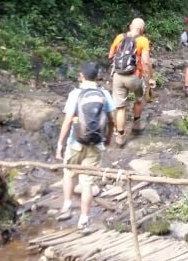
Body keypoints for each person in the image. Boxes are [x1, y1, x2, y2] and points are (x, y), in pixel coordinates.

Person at [55, 61, 114, 231]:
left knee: (68, 173)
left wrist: (60, 144)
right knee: (87, 183)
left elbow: (67, 122)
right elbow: (111, 120)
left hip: (76, 142)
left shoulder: (76, 94)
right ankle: (84, 219)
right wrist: (108, 138)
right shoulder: (104, 94)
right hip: (96, 143)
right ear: (97, 76)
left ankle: (66, 206)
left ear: (81, 76)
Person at [108, 17, 154, 147]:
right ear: (140, 29)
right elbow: (145, 62)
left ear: (130, 27)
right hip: (134, 76)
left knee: (120, 108)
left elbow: (110, 55)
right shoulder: (143, 40)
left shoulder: (119, 37)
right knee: (139, 99)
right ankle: (136, 124)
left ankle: (120, 136)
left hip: (118, 76)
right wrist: (150, 77)